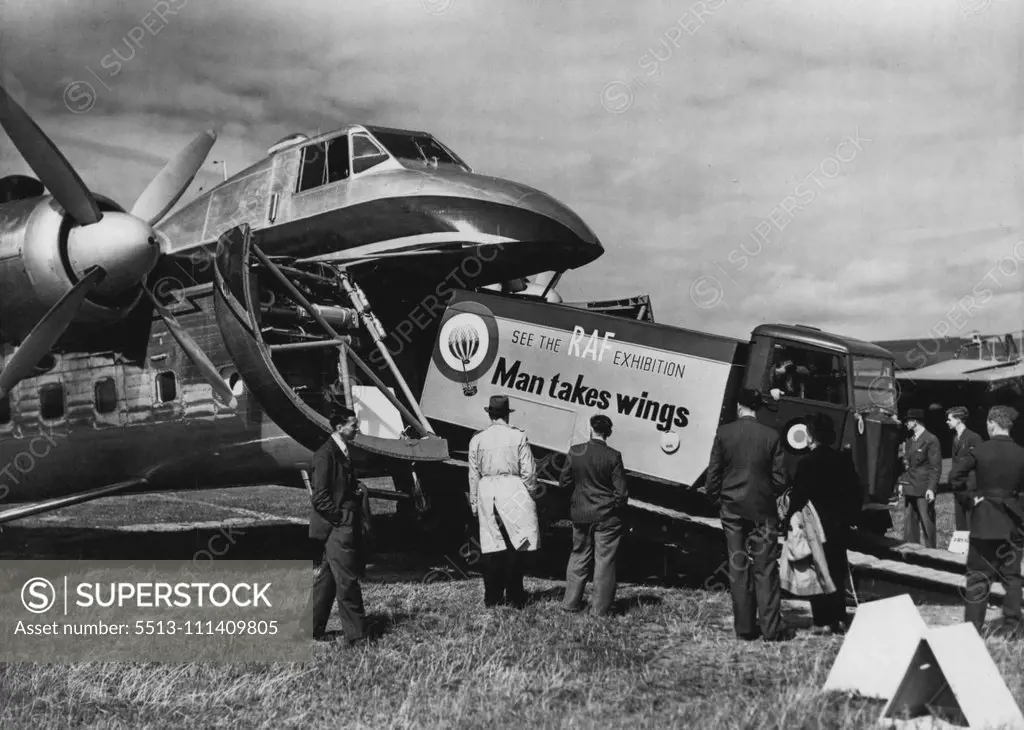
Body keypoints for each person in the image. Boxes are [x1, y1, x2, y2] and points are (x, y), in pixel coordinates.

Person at [706, 387, 793, 641]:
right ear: (757, 409)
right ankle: (771, 629)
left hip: (731, 509)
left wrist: (716, 500)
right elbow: (780, 479)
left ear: (739, 407)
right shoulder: (771, 436)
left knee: (738, 566)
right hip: (762, 510)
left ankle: (744, 628)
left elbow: (714, 474)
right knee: (765, 568)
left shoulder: (725, 433)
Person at [949, 406, 1024, 637]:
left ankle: (973, 628)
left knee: (978, 577)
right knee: (1012, 577)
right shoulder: (1021, 453)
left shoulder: (980, 451)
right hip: (1013, 522)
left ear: (992, 423)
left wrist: (969, 499)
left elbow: (955, 476)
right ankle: (1013, 626)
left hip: (984, 521)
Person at [785, 413, 861, 634]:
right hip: (839, 525)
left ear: (809, 437)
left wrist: (787, 520)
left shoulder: (806, 463)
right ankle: (839, 618)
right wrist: (851, 519)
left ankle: (822, 621)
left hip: (814, 525)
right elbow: (856, 492)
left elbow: (798, 496)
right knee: (837, 570)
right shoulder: (843, 460)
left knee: (817, 571)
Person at [468, 395, 540, 608]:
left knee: (491, 545)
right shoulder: (518, 437)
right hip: (512, 488)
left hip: (487, 490)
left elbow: (473, 474)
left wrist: (474, 501)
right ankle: (516, 596)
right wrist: (529, 493)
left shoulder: (477, 439)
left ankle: (492, 597)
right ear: (507, 414)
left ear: (489, 414)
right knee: (514, 544)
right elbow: (528, 471)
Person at [307, 407, 367, 645]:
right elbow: (319, 496)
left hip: (341, 524)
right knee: (348, 581)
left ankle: (310, 627)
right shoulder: (326, 455)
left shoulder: (341, 451)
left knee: (328, 579)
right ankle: (358, 636)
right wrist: (340, 518)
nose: (357, 428)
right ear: (339, 427)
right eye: (354, 424)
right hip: (338, 527)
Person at [559, 414, 629, 616]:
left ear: (590, 429)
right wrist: (612, 508)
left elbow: (564, 482)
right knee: (604, 561)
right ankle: (599, 610)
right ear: (609, 433)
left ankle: (570, 604)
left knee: (578, 556)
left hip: (580, 514)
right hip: (606, 516)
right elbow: (621, 493)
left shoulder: (576, 451)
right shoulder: (614, 456)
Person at [898, 408, 941, 548]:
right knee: (910, 524)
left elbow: (935, 467)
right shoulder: (910, 440)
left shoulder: (930, 440)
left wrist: (931, 489)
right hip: (910, 485)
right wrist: (901, 484)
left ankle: (932, 553)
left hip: (923, 487)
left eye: (908, 421)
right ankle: (911, 551)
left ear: (915, 421)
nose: (906, 423)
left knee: (927, 522)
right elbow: (906, 464)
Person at [947, 405, 983, 532]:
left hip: (970, 487)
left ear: (959, 420)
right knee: (960, 524)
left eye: (950, 419)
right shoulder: (955, 438)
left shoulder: (974, 438)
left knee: (971, 523)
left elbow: (975, 461)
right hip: (958, 487)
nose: (947, 422)